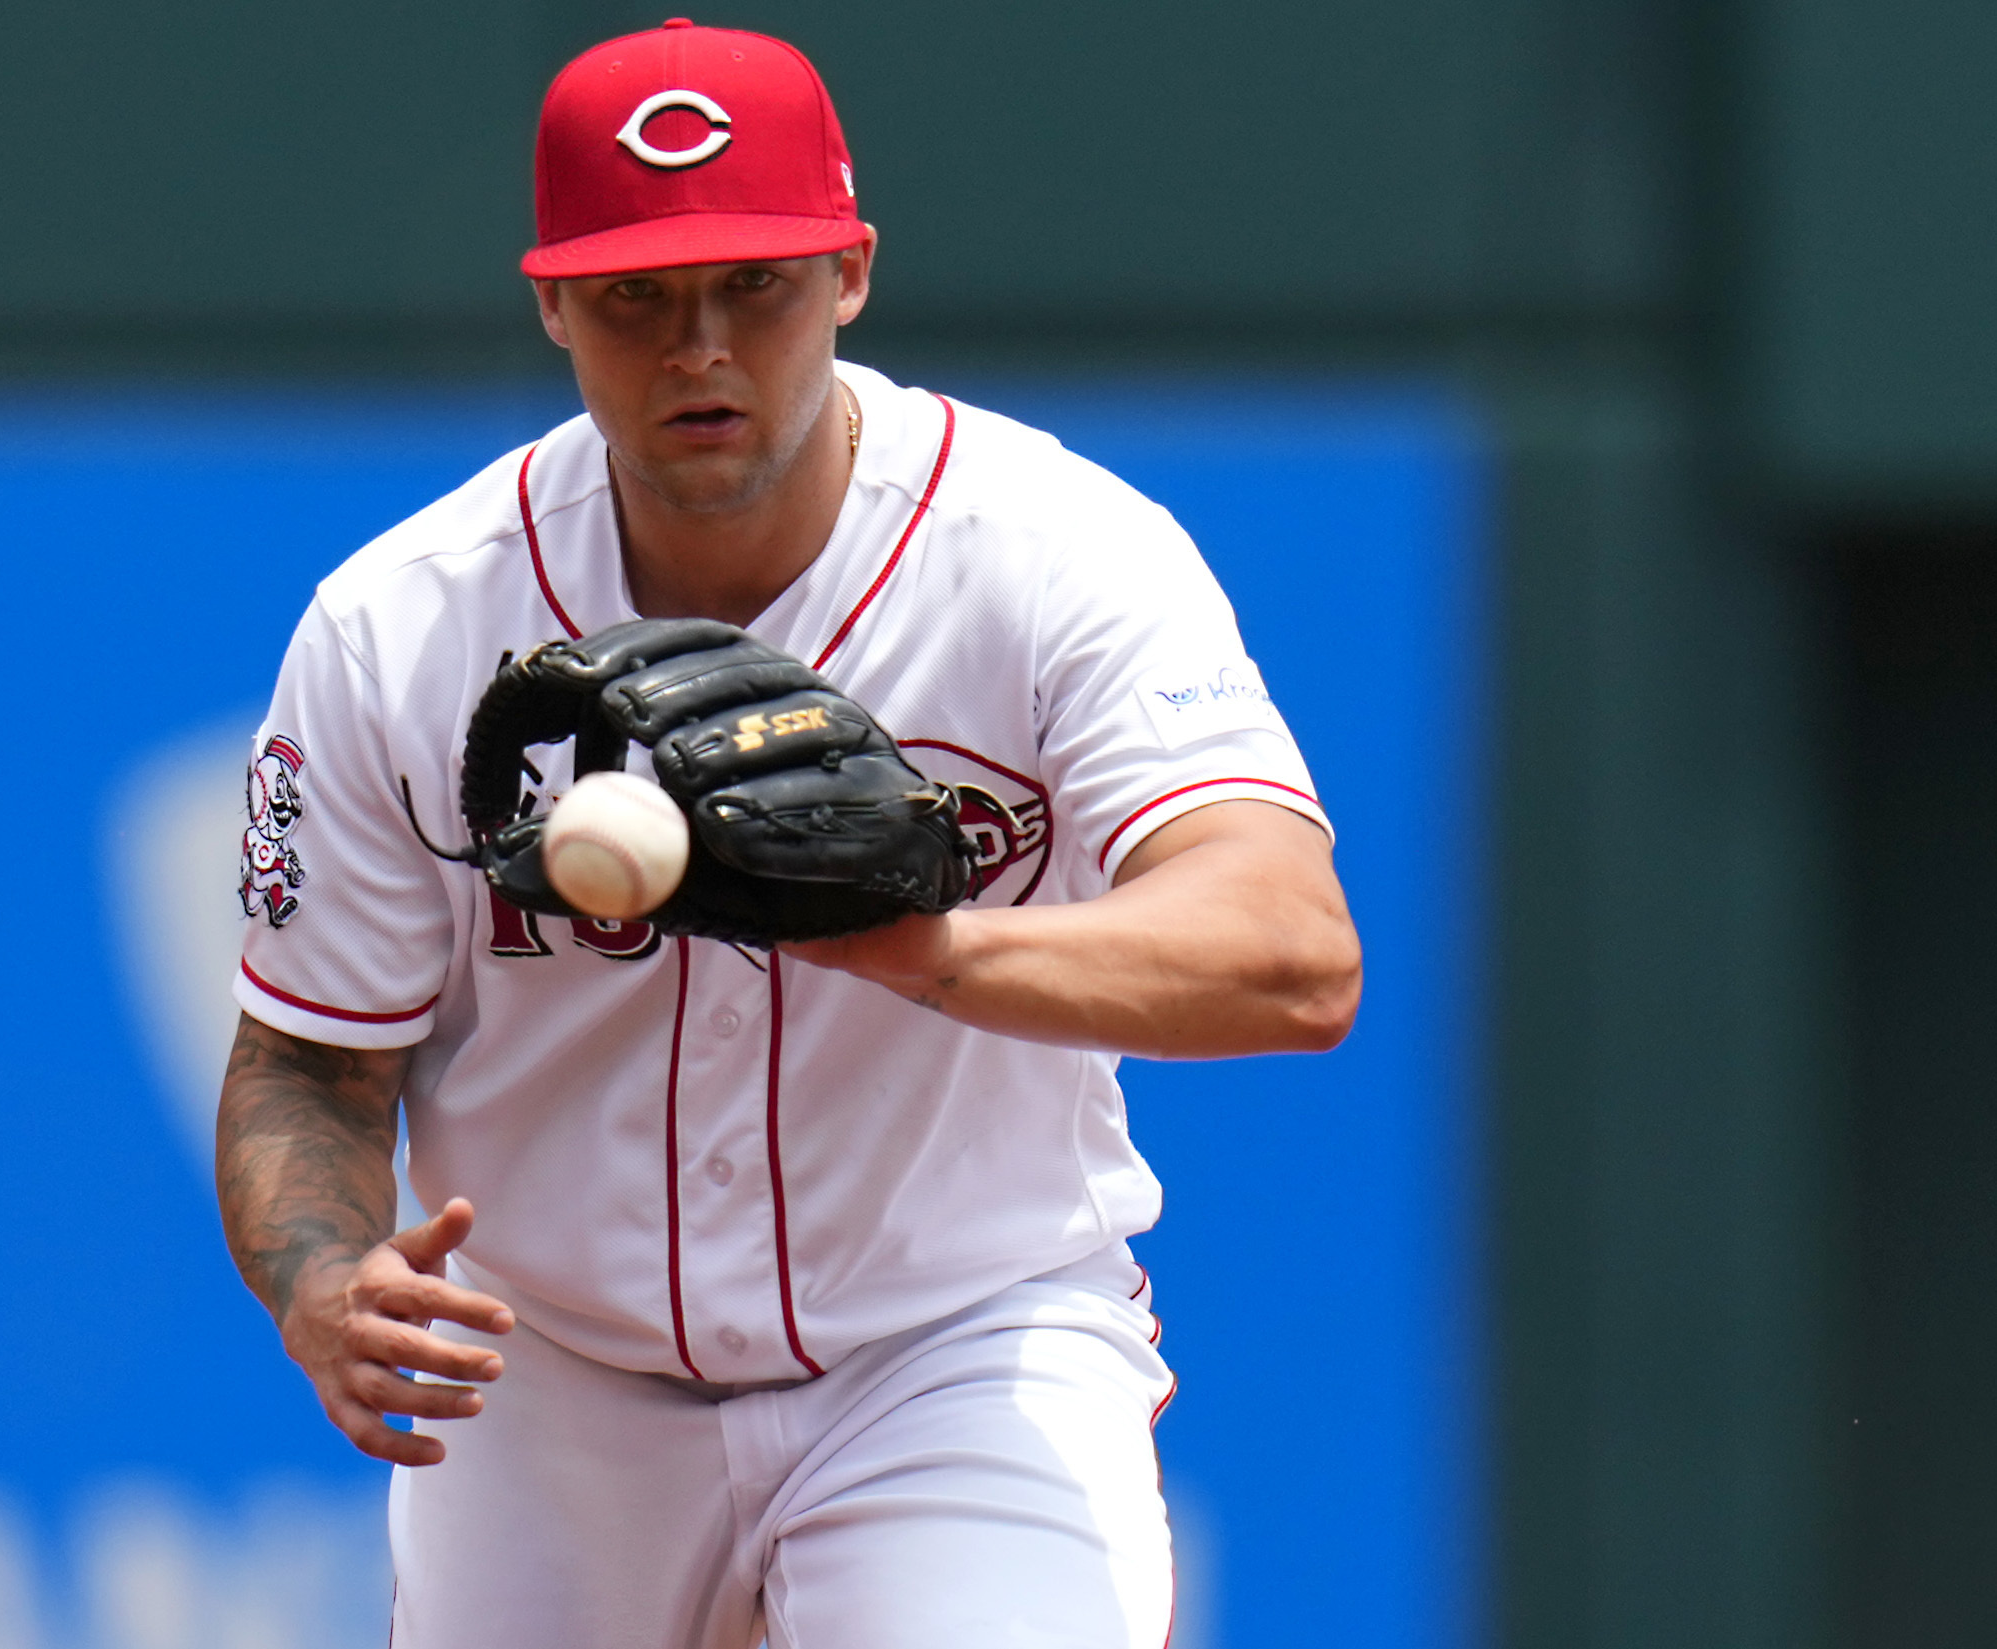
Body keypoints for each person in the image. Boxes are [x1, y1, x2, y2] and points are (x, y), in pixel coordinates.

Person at [213, 19, 1360, 1648]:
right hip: (553, 1382)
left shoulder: (1049, 552)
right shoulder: (402, 624)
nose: (698, 346)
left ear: (849, 273)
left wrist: (929, 947)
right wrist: (321, 1277)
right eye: (635, 294)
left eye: (752, 282)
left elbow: (1291, 956)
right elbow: (305, 1064)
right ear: (551, 300)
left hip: (954, 1343)